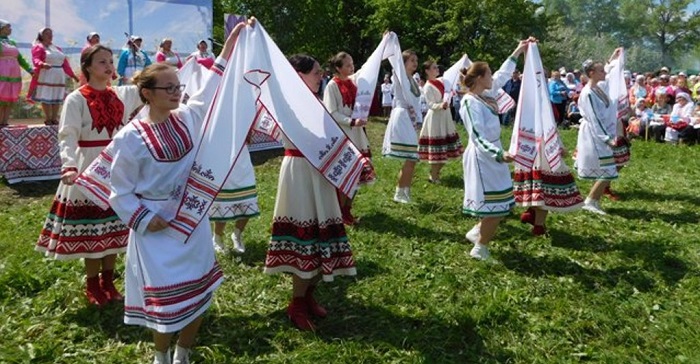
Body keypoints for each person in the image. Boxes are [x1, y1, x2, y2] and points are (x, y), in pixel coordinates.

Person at [78, 20, 250, 364]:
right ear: (148, 93)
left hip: (191, 223)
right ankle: (160, 354)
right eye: (168, 87)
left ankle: (183, 352)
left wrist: (230, 45)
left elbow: (212, 86)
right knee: (165, 302)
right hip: (155, 230)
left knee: (200, 293)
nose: (177, 92)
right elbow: (120, 190)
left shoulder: (187, 117)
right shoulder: (131, 137)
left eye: (178, 86)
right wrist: (143, 218)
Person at [35, 45, 143, 307]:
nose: (108, 66)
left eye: (110, 61)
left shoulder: (122, 94)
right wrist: (69, 165)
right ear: (88, 67)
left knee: (114, 228)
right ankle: (93, 284)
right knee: (94, 230)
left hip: (116, 167)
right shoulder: (76, 98)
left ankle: (109, 281)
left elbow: (152, 87)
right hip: (88, 168)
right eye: (101, 62)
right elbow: (68, 135)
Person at [263, 53, 355, 332]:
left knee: (320, 238)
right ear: (298, 75)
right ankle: (297, 304)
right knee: (306, 240)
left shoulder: (312, 101)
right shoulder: (289, 103)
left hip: (319, 172)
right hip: (301, 173)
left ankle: (308, 295)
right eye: (315, 72)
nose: (320, 76)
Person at [460, 38, 529, 260]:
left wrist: (518, 50)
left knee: (500, 201)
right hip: (483, 156)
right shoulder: (470, 102)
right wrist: (499, 153)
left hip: (493, 154)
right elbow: (477, 135)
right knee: (496, 205)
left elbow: (502, 74)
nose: (492, 77)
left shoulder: (485, 95)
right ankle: (480, 248)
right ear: (480, 78)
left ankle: (477, 232)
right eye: (488, 74)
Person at [323, 52, 373, 224]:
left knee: (358, 173)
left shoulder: (353, 81)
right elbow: (332, 112)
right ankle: (339, 212)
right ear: (338, 68)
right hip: (344, 133)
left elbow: (368, 67)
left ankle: (347, 210)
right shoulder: (332, 86)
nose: (352, 67)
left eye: (352, 64)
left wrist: (383, 47)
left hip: (357, 133)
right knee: (345, 174)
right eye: (347, 65)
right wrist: (351, 121)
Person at [574, 49, 623, 215]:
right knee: (609, 169)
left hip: (599, 131)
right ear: (592, 73)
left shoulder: (598, 87)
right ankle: (591, 201)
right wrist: (607, 138)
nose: (604, 73)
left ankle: (593, 200)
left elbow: (609, 77)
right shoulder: (588, 93)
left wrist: (613, 58)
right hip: (594, 134)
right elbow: (594, 118)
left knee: (607, 168)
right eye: (600, 70)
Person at [383, 50, 421, 204]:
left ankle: (405, 190)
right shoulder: (399, 76)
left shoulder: (412, 79)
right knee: (411, 157)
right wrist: (390, 42)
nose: (415, 63)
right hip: (402, 117)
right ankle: (399, 192)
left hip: (409, 118)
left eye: (416, 60)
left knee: (412, 158)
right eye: (411, 60)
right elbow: (395, 62)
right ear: (403, 63)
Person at [417, 60, 462, 182]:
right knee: (437, 148)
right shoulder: (427, 86)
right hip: (435, 118)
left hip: (445, 116)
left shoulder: (442, 81)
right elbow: (430, 104)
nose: (437, 69)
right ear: (427, 71)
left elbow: (453, 75)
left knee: (447, 150)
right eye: (434, 67)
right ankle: (434, 174)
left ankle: (434, 172)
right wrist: (441, 105)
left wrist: (461, 63)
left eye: (437, 67)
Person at [209, 148, 259, 254]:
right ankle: (217, 238)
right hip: (221, 157)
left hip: (242, 158)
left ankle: (237, 235)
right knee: (223, 201)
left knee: (247, 200)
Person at [28, 27, 79, 125]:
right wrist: (42, 64)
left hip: (58, 75)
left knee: (57, 96)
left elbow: (65, 64)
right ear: (41, 35)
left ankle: (54, 118)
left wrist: (72, 75)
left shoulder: (57, 49)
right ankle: (48, 118)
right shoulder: (38, 47)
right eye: (47, 33)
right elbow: (36, 59)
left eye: (51, 34)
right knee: (46, 95)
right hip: (47, 73)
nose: (50, 35)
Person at [0, 19, 33, 127]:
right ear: (1, 29)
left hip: (13, 72)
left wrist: (29, 69)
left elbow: (20, 58)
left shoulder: (12, 42)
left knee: (10, 97)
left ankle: (5, 122)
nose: (10, 29)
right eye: (8, 27)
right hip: (2, 71)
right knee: (1, 97)